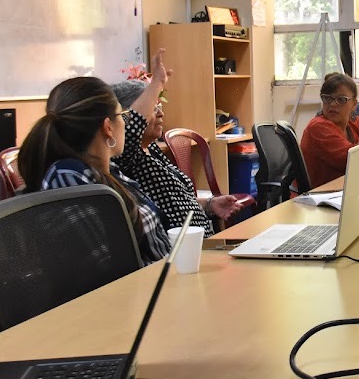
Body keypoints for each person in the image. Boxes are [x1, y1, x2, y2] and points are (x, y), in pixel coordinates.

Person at [19, 75, 171, 266]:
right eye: (122, 116)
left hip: (162, 275)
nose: (125, 123)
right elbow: (107, 269)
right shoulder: (69, 180)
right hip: (145, 283)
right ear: (108, 127)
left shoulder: (105, 171)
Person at [111, 75, 246, 235]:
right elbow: (133, 126)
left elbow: (175, 200)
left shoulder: (152, 148)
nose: (161, 113)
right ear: (126, 117)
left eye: (159, 106)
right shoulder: (126, 156)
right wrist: (156, 83)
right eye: (153, 108)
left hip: (199, 239)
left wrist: (210, 204)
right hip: (175, 246)